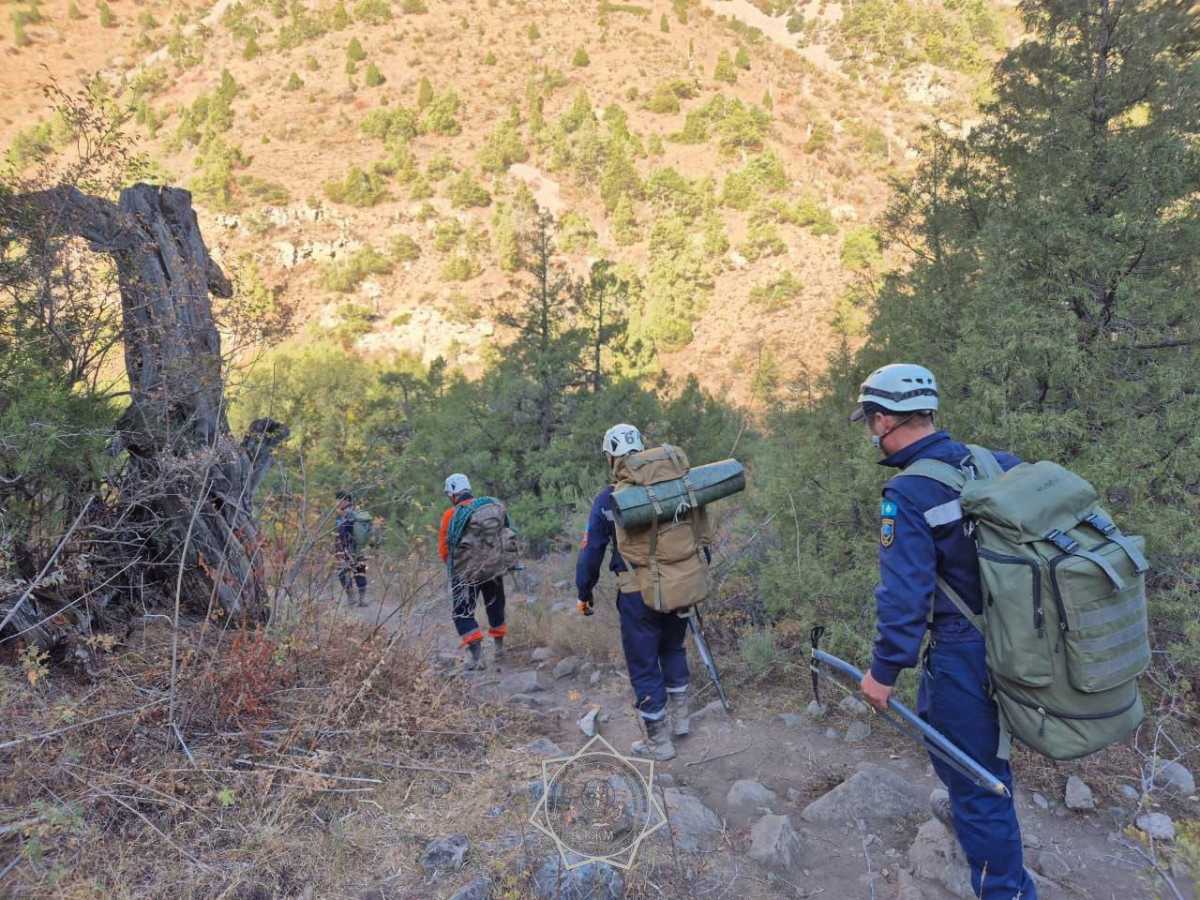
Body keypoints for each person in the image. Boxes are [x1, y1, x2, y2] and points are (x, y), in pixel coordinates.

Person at [852, 363, 1037, 900]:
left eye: (869, 422)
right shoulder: (994, 462)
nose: (871, 433)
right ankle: (981, 822)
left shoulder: (906, 492)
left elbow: (904, 597)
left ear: (884, 419)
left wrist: (883, 672)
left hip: (964, 648)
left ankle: (1005, 889)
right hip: (1020, 633)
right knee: (972, 757)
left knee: (973, 773)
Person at [575, 424, 692, 762]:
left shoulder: (607, 497)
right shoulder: (674, 486)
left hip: (636, 593)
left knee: (643, 664)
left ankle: (659, 742)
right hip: (680, 582)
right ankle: (681, 721)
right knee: (672, 647)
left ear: (611, 457)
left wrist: (585, 591)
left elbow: (591, 551)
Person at [438, 473, 507, 671]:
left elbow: (444, 549)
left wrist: (455, 569)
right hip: (493, 567)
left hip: (465, 572)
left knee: (462, 612)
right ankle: (499, 649)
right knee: (495, 605)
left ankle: (477, 657)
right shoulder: (490, 506)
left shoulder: (451, 515)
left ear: (453, 494)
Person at [334, 490, 368, 607]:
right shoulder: (358, 512)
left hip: (346, 548)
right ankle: (361, 599)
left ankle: (351, 598)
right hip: (359, 548)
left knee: (342, 572)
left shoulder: (346, 513)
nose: (337, 502)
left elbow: (342, 531)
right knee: (360, 571)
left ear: (346, 500)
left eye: (339, 499)